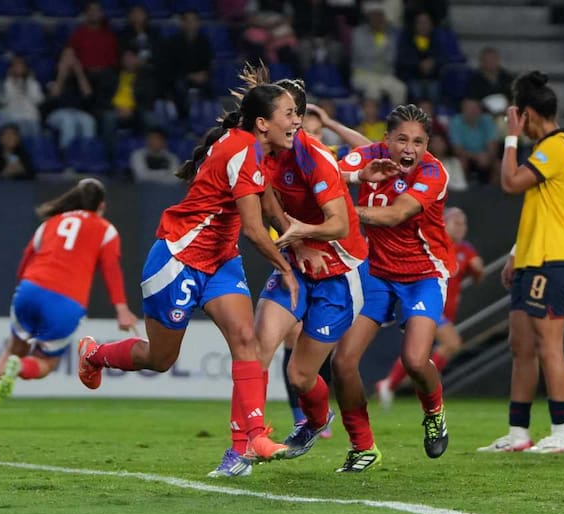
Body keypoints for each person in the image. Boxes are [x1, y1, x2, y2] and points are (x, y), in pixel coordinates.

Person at [75, 82, 302, 468]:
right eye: (290, 114)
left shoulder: (256, 149)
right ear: (263, 123)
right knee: (160, 357)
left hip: (220, 261)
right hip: (177, 259)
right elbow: (252, 227)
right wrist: (287, 267)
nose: (297, 121)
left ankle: (248, 442)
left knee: (246, 339)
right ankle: (95, 354)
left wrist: (293, 237)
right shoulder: (243, 150)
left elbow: (268, 206)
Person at [209, 71, 370, 477]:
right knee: (255, 350)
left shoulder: (314, 157)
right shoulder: (260, 151)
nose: (296, 121)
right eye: (290, 113)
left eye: (298, 114)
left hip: (338, 272)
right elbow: (267, 200)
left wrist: (304, 233)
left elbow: (341, 225)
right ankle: (241, 451)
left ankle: (316, 421)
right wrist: (293, 242)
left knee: (300, 376)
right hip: (297, 266)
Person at [333, 103, 456, 472]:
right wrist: (347, 177)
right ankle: (363, 447)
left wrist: (344, 214)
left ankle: (434, 411)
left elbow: (396, 214)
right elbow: (327, 176)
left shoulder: (434, 172)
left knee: (415, 360)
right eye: (402, 139)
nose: (410, 149)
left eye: (418, 141)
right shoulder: (367, 156)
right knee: (343, 362)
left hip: (424, 275)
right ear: (385, 140)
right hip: (378, 275)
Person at [0, 178, 138, 429]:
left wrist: (25, 289)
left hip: (30, 290)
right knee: (46, 364)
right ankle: (20, 368)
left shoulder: (51, 223)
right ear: (101, 205)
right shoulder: (106, 230)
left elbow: (26, 259)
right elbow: (111, 269)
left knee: (9, 351)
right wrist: (121, 308)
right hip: (66, 302)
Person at [478, 71, 564, 454]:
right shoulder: (546, 148)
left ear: (526, 115)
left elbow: (510, 182)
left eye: (516, 118)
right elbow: (540, 210)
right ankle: (519, 432)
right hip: (532, 257)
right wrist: (514, 253)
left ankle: (561, 431)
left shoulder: (556, 146)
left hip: (554, 260)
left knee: (548, 344)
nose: (516, 125)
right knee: (520, 345)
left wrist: (509, 137)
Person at [376, 207, 483, 408]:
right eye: (456, 222)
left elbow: (477, 271)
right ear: (444, 223)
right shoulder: (433, 243)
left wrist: (477, 271)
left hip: (449, 311)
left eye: (464, 223)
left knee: (419, 353)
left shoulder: (466, 249)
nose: (461, 228)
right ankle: (423, 384)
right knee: (451, 343)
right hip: (431, 305)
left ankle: (390, 383)